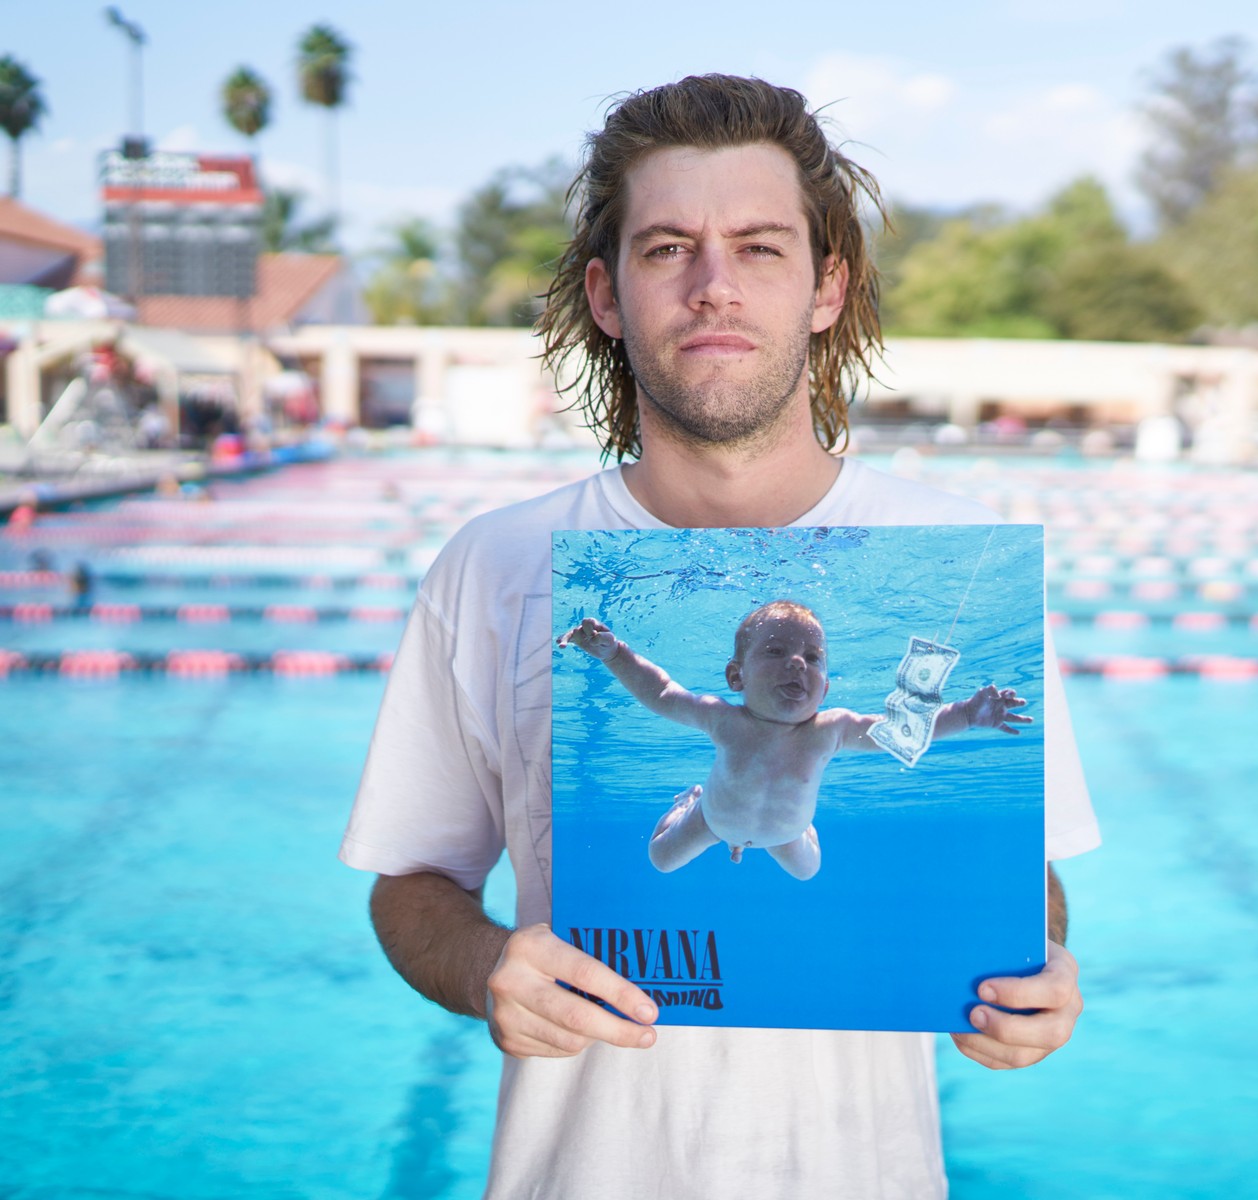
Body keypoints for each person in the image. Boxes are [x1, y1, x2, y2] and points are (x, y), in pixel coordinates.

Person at [340, 73, 1099, 1198]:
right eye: (665, 250)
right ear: (606, 295)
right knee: (681, 837)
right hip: (575, 1173)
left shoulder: (964, 561)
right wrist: (490, 965)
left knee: (805, 857)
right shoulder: (492, 565)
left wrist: (1035, 979)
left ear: (826, 287)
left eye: (758, 247)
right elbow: (410, 883)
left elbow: (1025, 890)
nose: (713, 288)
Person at [558, 600, 1032, 879]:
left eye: (812, 657)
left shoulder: (832, 729)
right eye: (776, 651)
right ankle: (691, 800)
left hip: (784, 832)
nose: (798, 663)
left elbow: (902, 731)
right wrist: (615, 655)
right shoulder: (724, 719)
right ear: (735, 676)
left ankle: (804, 827)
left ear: (824, 688)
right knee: (660, 858)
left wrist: (967, 714)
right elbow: (662, 692)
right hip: (713, 821)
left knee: (809, 872)